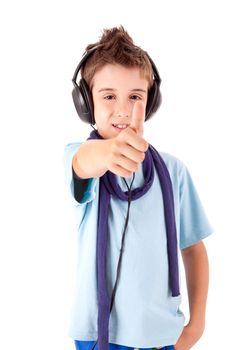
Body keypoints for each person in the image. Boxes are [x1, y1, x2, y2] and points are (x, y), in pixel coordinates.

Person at [64, 26, 213, 350]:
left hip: (160, 336)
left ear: (151, 101)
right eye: (108, 96)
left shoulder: (173, 171)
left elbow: (193, 247)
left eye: (135, 96)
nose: (122, 109)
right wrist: (108, 152)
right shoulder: (79, 158)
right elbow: (85, 161)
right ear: (85, 103)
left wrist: (196, 325)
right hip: (95, 334)